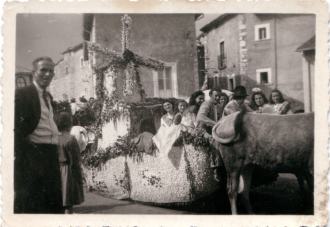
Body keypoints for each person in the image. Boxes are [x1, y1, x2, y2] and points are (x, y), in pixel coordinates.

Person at [14, 57, 62, 213]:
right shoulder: (23, 94)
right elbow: (13, 128)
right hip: (32, 157)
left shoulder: (48, 97)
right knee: (32, 205)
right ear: (34, 72)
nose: (48, 74)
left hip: (50, 155)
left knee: (52, 204)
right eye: (43, 70)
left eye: (51, 71)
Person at [56, 112, 84, 214]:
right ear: (69, 124)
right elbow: (76, 160)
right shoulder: (71, 139)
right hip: (67, 171)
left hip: (55, 171)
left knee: (58, 202)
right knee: (68, 203)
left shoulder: (54, 137)